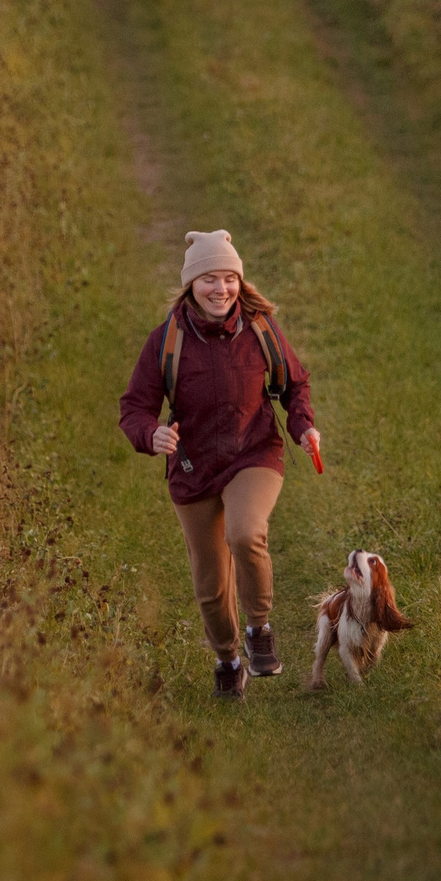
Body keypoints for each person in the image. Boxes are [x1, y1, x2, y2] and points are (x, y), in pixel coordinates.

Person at [118, 230, 320, 699]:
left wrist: (303, 427)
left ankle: (259, 628)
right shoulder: (166, 342)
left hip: (254, 452)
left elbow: (295, 385)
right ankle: (228, 660)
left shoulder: (261, 330)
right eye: (209, 278)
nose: (221, 289)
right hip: (193, 468)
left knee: (245, 533)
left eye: (229, 278)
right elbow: (134, 409)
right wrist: (151, 434)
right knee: (210, 584)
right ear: (191, 284)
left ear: (239, 282)